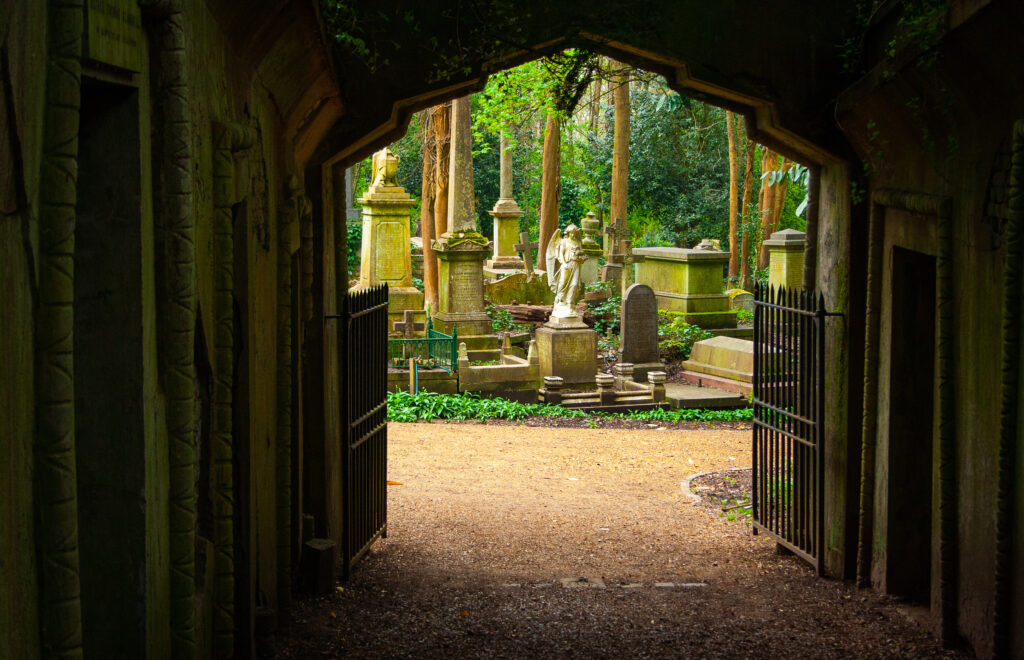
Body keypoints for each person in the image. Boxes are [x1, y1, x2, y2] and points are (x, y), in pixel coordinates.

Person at [550, 224, 587, 318]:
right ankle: (559, 300)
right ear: (568, 232)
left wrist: (582, 257)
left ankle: (570, 304)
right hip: (567, 265)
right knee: (563, 283)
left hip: (576, 264)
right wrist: (564, 263)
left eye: (575, 233)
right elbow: (560, 254)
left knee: (575, 284)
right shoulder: (564, 242)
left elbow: (580, 254)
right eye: (572, 233)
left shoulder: (578, 242)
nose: (573, 235)